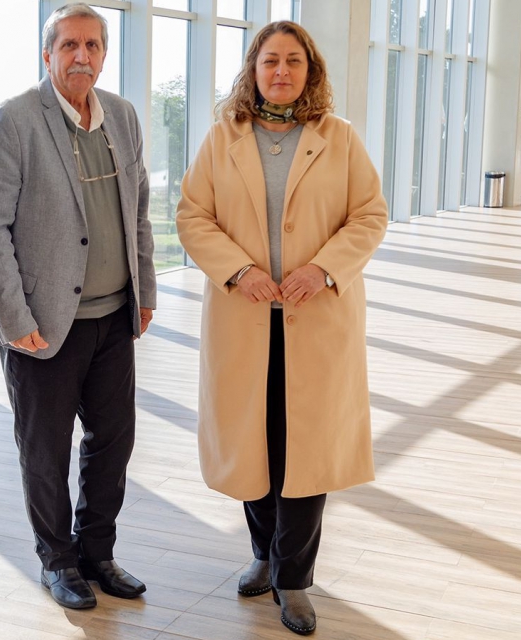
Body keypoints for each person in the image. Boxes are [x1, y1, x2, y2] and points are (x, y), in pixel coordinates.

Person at [175, 20, 387, 636]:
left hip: (316, 322)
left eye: (294, 60)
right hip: (244, 321)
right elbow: (193, 216)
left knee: (305, 451)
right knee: (254, 444)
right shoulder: (223, 138)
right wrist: (238, 271)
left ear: (310, 70)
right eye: (270, 60)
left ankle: (293, 579)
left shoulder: (339, 138)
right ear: (254, 69)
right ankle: (263, 555)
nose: (282, 71)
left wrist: (324, 268)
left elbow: (370, 215)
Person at [0, 2, 156, 612]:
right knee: (44, 451)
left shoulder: (122, 116)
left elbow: (139, 212)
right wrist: (14, 319)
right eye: (69, 45)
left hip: (113, 317)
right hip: (42, 326)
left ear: (104, 54)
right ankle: (57, 561)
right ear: (47, 54)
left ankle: (97, 552)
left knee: (112, 443)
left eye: (92, 45)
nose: (82, 56)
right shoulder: (12, 119)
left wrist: (145, 292)